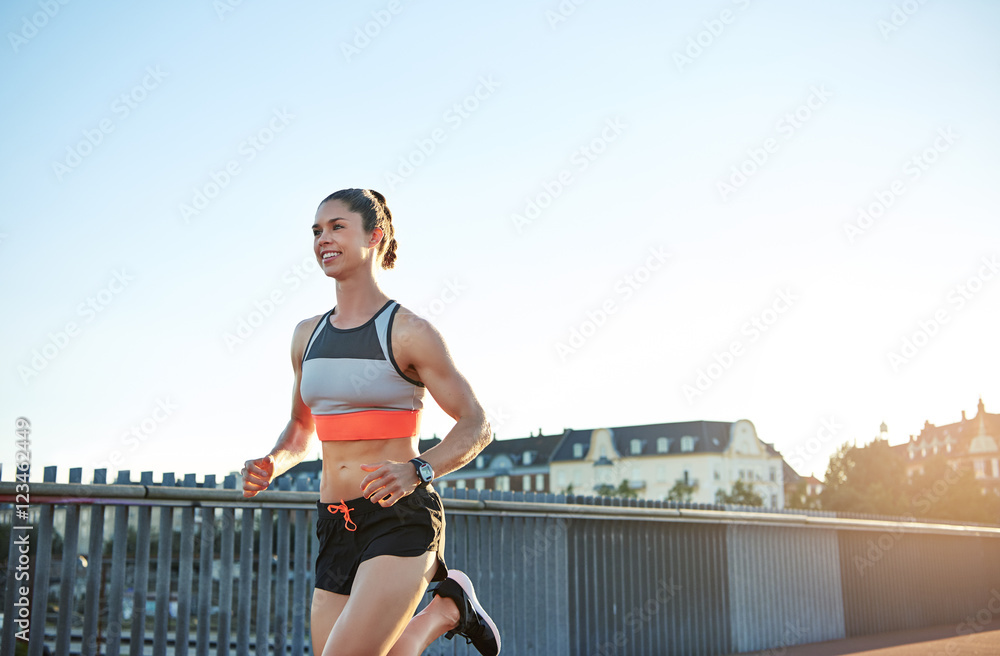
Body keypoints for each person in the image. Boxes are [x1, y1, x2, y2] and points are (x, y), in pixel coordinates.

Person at [241, 188, 500, 656]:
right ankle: (447, 611)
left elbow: (476, 423)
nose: (323, 239)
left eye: (337, 227)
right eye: (317, 231)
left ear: (374, 236)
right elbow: (301, 429)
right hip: (335, 523)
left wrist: (417, 469)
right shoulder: (307, 336)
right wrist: (273, 461)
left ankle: (446, 610)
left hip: (398, 517)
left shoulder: (407, 331)